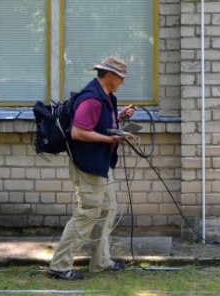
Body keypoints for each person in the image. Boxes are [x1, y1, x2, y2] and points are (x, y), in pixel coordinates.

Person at [48, 56, 136, 281]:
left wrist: (119, 118)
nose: (122, 82)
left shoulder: (105, 97)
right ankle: (60, 265)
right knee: (87, 214)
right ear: (109, 75)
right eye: (120, 78)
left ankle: (100, 261)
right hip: (88, 165)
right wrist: (110, 140)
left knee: (108, 210)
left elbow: (96, 125)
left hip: (102, 164)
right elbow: (78, 132)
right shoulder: (92, 99)